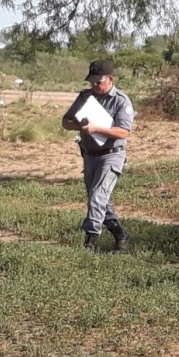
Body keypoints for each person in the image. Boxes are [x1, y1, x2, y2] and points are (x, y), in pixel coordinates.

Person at [62, 60, 134, 252]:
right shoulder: (85, 97)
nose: (95, 86)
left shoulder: (121, 100)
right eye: (92, 82)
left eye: (99, 82)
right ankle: (120, 234)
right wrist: (81, 126)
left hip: (111, 155)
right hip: (89, 154)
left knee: (97, 197)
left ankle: (89, 241)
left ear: (110, 79)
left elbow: (123, 132)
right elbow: (66, 122)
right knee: (100, 199)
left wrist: (97, 129)